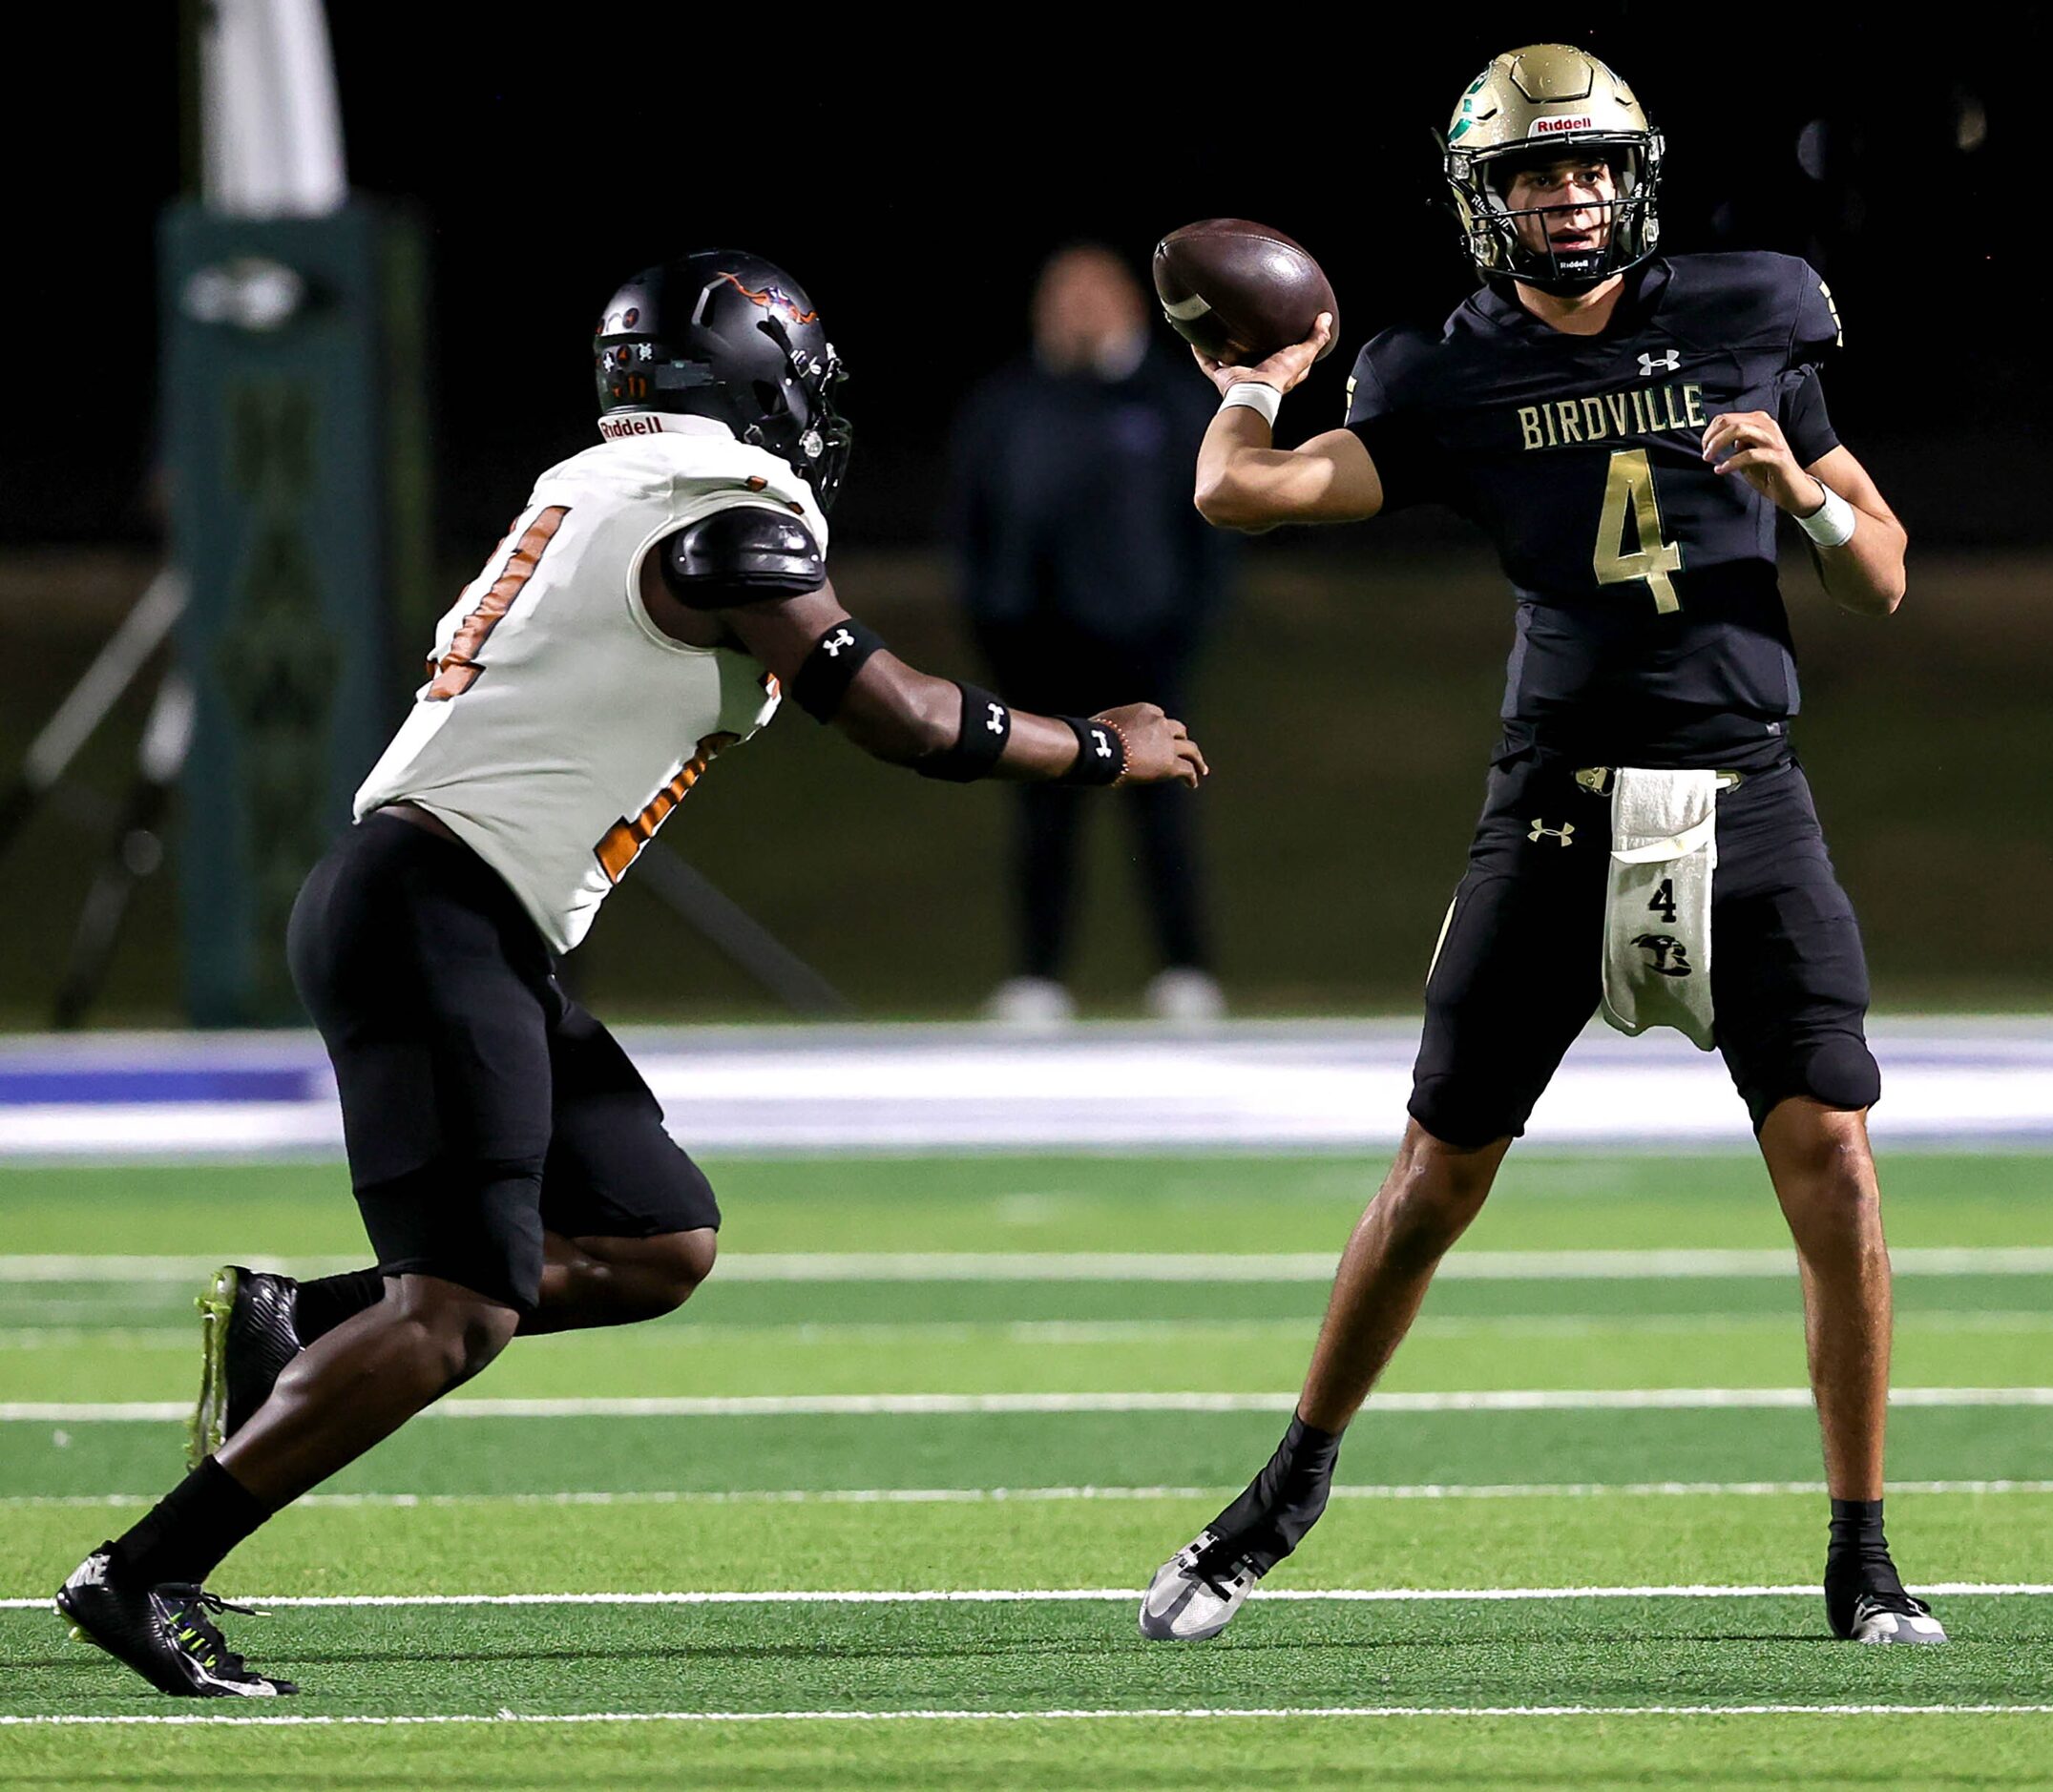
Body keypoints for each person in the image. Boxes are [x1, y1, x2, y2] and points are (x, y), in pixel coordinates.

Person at [54, 249, 1206, 1698]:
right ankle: (144, 1567)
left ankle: (306, 1320)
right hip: (435, 906)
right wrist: (1098, 744)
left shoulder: (609, 487)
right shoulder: (718, 519)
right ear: (750, 379)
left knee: (651, 1239)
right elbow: (903, 718)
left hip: (464, 908)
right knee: (457, 1308)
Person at [1139, 44, 1944, 1647]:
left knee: (1833, 1164)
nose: (1560, 194)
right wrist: (1249, 382)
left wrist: (1802, 494)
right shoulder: (1441, 369)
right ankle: (1283, 1489)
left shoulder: (1749, 312)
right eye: (1527, 173)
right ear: (1481, 197)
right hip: (1559, 801)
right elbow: (1241, 496)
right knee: (1435, 1172)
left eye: (1581, 166)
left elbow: (1885, 574)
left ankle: (1859, 1551)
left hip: (1743, 791)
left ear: (1630, 174)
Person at [948, 244, 1233, 1027]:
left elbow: (1212, 530)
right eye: (1061, 295)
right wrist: (994, 620)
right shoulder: (1007, 405)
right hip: (1037, 650)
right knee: (1043, 817)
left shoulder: (1171, 402)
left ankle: (1186, 970)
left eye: (1092, 295)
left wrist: (1185, 626)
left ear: (1131, 307)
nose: (1076, 312)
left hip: (1145, 650)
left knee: (1165, 810)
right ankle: (1037, 977)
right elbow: (971, 526)